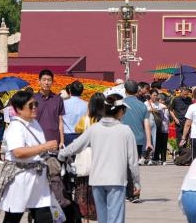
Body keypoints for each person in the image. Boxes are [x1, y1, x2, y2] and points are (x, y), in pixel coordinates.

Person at [59, 93, 140, 223]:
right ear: (119, 111)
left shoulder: (94, 129)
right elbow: (133, 161)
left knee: (102, 218)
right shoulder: (125, 130)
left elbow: (75, 146)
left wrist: (61, 154)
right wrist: (136, 182)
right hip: (116, 180)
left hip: (97, 180)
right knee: (116, 218)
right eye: (123, 110)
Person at [0, 89, 60, 222]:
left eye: (35, 104)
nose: (35, 108)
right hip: (21, 178)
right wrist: (45, 147)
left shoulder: (35, 123)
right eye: (30, 106)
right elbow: (18, 152)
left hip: (38, 178)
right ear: (19, 109)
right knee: (13, 215)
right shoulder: (15, 127)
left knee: (43, 214)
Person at [119, 78, 152, 190]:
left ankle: (126, 190)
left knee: (122, 166)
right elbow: (147, 125)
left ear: (125, 90)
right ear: (137, 90)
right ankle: (133, 190)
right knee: (133, 165)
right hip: (138, 140)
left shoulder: (120, 104)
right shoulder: (143, 105)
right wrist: (148, 142)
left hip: (122, 139)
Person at [34, 69, 66, 150]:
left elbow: (60, 121)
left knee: (53, 162)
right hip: (37, 140)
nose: (46, 83)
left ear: (52, 82)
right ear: (39, 81)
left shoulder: (58, 99)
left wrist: (62, 141)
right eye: (44, 80)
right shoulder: (33, 98)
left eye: (49, 80)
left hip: (54, 140)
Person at [63, 81, 87, 148]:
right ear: (82, 91)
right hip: (81, 136)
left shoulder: (63, 103)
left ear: (70, 90)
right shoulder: (86, 105)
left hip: (67, 136)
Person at [148, 90, 169, 164]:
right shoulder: (146, 103)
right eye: (154, 95)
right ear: (150, 95)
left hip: (159, 126)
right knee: (154, 142)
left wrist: (157, 109)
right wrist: (151, 110)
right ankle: (152, 158)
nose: (155, 97)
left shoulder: (158, 104)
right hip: (150, 126)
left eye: (156, 95)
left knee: (161, 143)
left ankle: (162, 159)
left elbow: (165, 107)